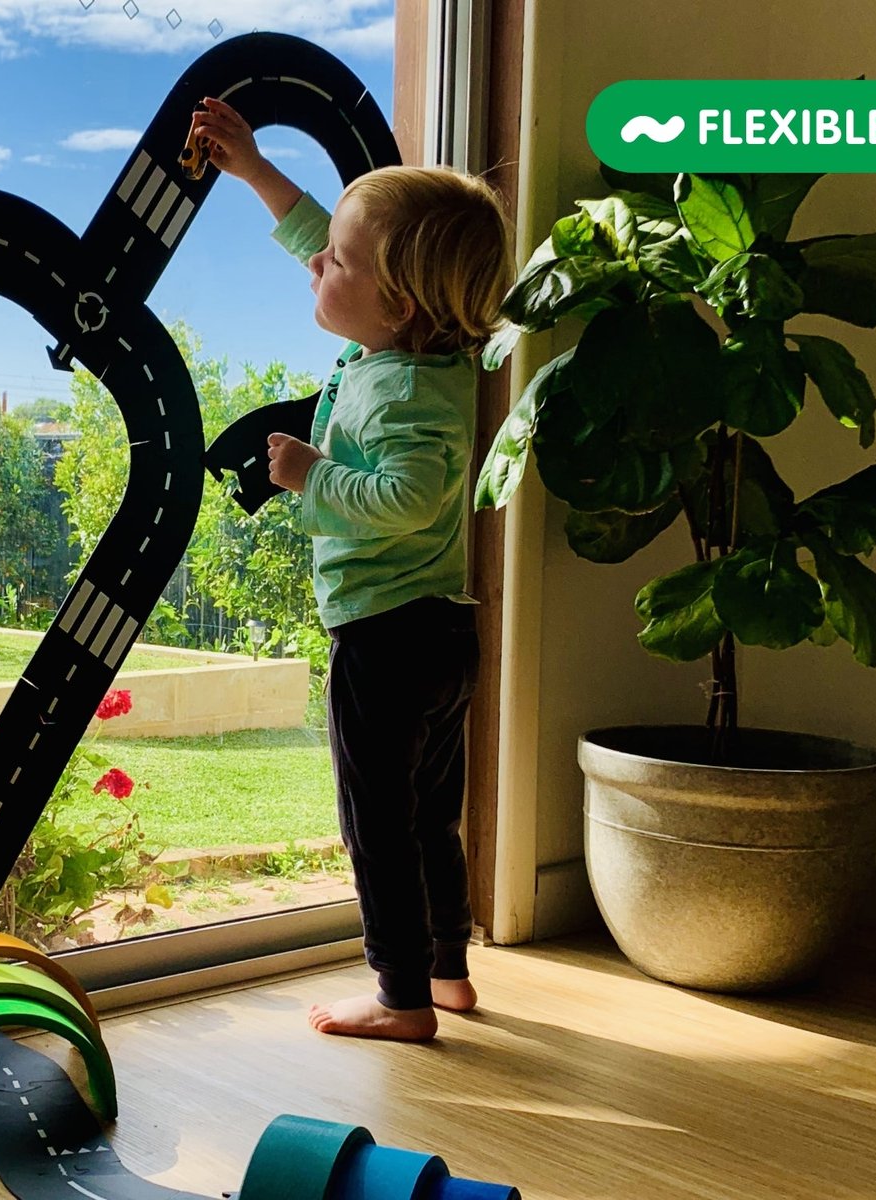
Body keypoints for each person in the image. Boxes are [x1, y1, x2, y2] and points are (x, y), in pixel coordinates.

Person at [188, 96, 512, 1040]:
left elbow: (409, 499)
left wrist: (312, 477)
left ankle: (400, 998)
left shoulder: (407, 392)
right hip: (440, 634)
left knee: (377, 823)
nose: (317, 264)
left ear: (398, 303)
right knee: (428, 818)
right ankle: (446, 972)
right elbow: (322, 243)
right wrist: (253, 169)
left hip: (388, 638)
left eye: (337, 261)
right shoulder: (412, 354)